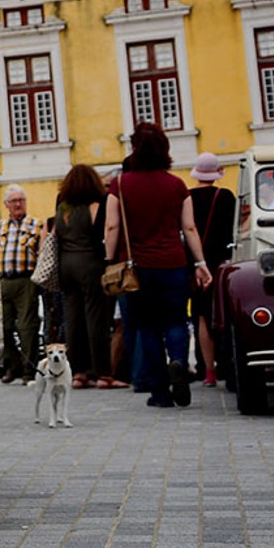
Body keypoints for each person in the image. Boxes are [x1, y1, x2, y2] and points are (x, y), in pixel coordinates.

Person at [103, 123, 210, 409]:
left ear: (134, 148)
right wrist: (200, 262)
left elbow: (112, 226)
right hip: (174, 264)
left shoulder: (120, 185)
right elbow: (189, 227)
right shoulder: (177, 185)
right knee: (176, 321)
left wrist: (108, 260)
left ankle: (160, 392)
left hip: (138, 268)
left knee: (147, 328)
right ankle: (178, 362)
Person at [52, 164, 114, 388]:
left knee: (73, 319)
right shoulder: (96, 205)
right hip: (89, 264)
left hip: (65, 266)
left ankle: (78, 372)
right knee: (96, 319)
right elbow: (101, 234)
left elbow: (55, 236)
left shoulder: (62, 206)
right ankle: (102, 373)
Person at [186, 152, 238, 387]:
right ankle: (227, 365)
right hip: (221, 262)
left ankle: (208, 372)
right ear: (217, 173)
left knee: (202, 317)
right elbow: (233, 230)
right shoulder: (225, 197)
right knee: (224, 314)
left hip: (196, 263)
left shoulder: (186, 197)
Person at [0, 185, 43, 384]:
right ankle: (11, 365)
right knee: (4, 327)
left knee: (27, 327)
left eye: (21, 200)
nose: (18, 204)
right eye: (14, 201)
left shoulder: (36, 225)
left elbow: (42, 253)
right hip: (4, 280)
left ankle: (28, 370)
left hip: (26, 280)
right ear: (6, 205)